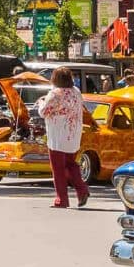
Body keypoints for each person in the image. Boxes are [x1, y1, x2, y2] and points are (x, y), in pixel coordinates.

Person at [41, 67, 90, 210]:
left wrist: (41, 103)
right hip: (73, 134)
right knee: (71, 164)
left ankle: (62, 199)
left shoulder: (54, 94)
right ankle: (82, 190)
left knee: (58, 169)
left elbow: (44, 112)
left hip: (58, 135)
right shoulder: (76, 92)